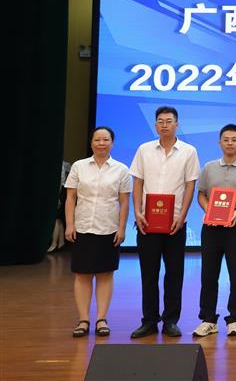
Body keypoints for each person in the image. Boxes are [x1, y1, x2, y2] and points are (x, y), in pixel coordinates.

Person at [130, 106, 201, 339]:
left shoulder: (189, 151)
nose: (164, 125)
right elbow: (138, 183)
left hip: (175, 224)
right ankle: (149, 321)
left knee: (174, 273)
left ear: (177, 124)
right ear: (155, 124)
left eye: (169, 121)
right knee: (148, 274)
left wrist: (183, 216)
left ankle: (171, 320)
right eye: (160, 121)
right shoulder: (144, 149)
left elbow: (190, 186)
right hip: (147, 223)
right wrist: (137, 212)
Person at [192, 124, 236, 338]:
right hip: (212, 228)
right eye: (226, 139)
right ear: (219, 142)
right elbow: (201, 194)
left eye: (234, 140)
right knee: (208, 274)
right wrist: (209, 210)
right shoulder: (209, 167)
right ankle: (208, 319)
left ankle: (234, 320)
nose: (230, 143)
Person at [64, 126, 132, 337]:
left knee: (105, 274)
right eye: (97, 140)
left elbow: (124, 202)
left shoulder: (121, 169)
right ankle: (83, 320)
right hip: (83, 227)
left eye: (106, 140)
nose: (101, 143)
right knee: (82, 275)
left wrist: (122, 228)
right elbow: (71, 198)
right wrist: (70, 224)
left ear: (112, 143)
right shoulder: (79, 166)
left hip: (108, 228)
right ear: (91, 142)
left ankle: (102, 319)